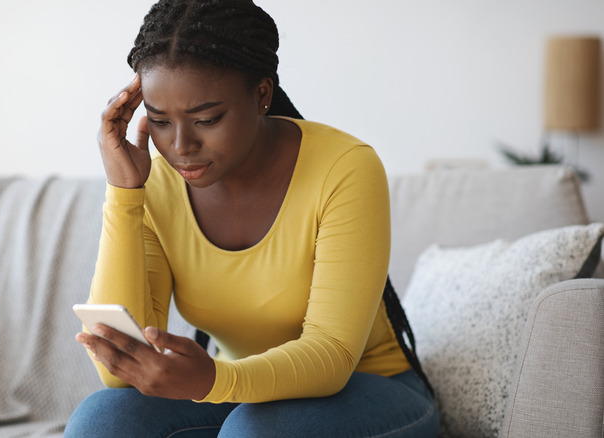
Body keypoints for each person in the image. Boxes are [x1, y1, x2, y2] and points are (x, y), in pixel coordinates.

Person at [64, 0, 438, 436]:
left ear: (261, 94)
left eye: (207, 119)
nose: (181, 145)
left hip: (369, 389)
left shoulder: (345, 167)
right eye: (161, 121)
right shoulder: (154, 181)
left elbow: (332, 355)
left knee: (252, 431)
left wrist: (215, 381)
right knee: (102, 419)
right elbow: (117, 372)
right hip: (236, 396)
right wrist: (125, 193)